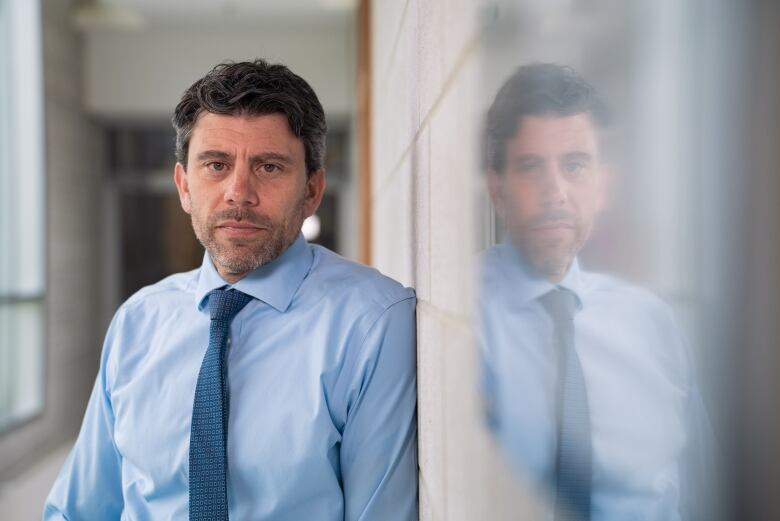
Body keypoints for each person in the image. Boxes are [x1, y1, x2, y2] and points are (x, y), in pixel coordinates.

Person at [43, 60, 418, 521]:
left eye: (269, 166)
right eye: (216, 165)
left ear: (313, 191)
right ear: (184, 186)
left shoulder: (373, 322)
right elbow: (77, 510)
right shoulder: (138, 322)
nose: (239, 192)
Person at [479, 63, 715, 521]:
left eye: (575, 165)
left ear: (603, 185)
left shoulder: (653, 324)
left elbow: (705, 490)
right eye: (531, 167)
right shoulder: (455, 318)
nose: (556, 192)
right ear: (497, 189)